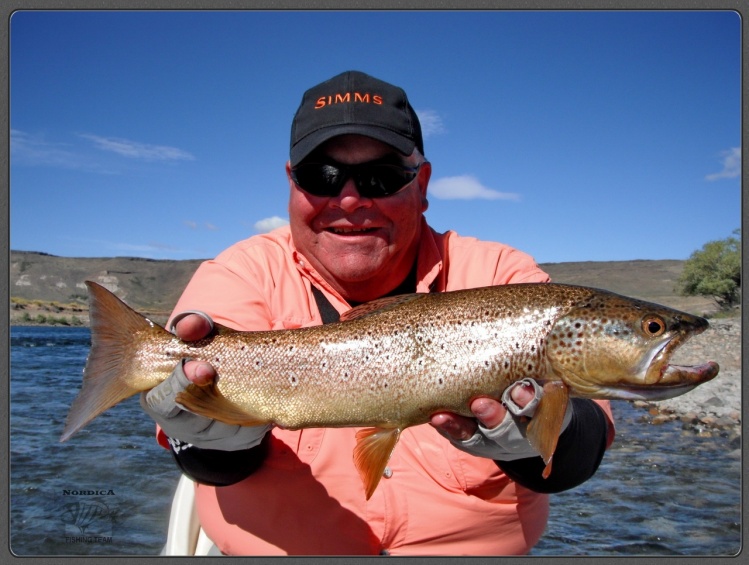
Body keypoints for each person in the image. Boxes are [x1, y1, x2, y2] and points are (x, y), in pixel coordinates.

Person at [141, 70, 615, 556]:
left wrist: (542, 438)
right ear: (291, 181)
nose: (349, 199)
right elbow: (210, 465)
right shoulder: (242, 273)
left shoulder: (502, 274)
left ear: (422, 183)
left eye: (381, 177)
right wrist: (216, 443)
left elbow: (582, 450)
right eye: (321, 176)